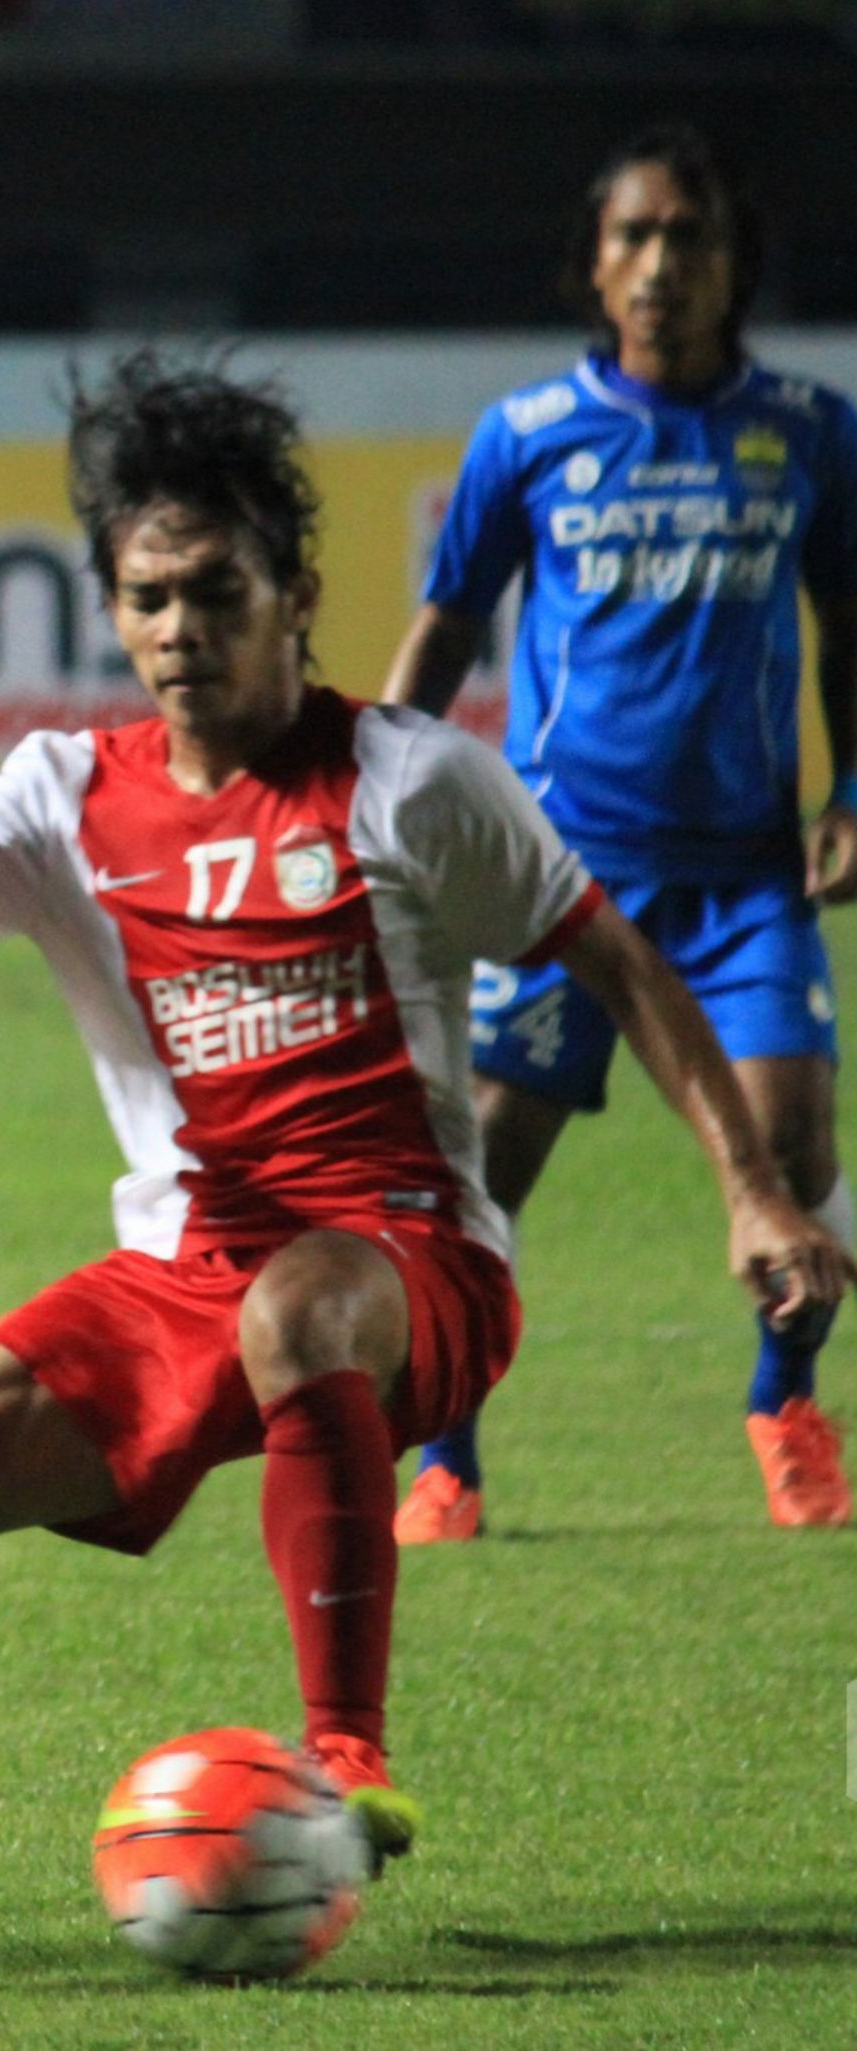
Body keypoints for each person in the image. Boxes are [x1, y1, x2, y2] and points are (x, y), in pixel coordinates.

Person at [0, 351, 851, 1920]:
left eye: (214, 590)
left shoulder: (414, 782)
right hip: (173, 1274)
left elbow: (616, 956)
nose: (179, 630)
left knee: (299, 1304)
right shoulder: (64, 798)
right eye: (146, 598)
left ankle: (346, 1755)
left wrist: (749, 1192)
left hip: (412, 1269)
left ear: (296, 590)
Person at [386, 124, 857, 1543]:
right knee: (489, 1162)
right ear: (597, 266)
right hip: (558, 874)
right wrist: (368, 792)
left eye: (691, 239)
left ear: (733, 266)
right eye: (636, 238)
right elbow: (449, 623)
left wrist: (854, 792)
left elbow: (851, 624)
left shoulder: (813, 432)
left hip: (744, 877)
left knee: (791, 1147)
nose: (662, 266)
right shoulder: (527, 436)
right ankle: (449, 1456)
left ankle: (784, 1400)